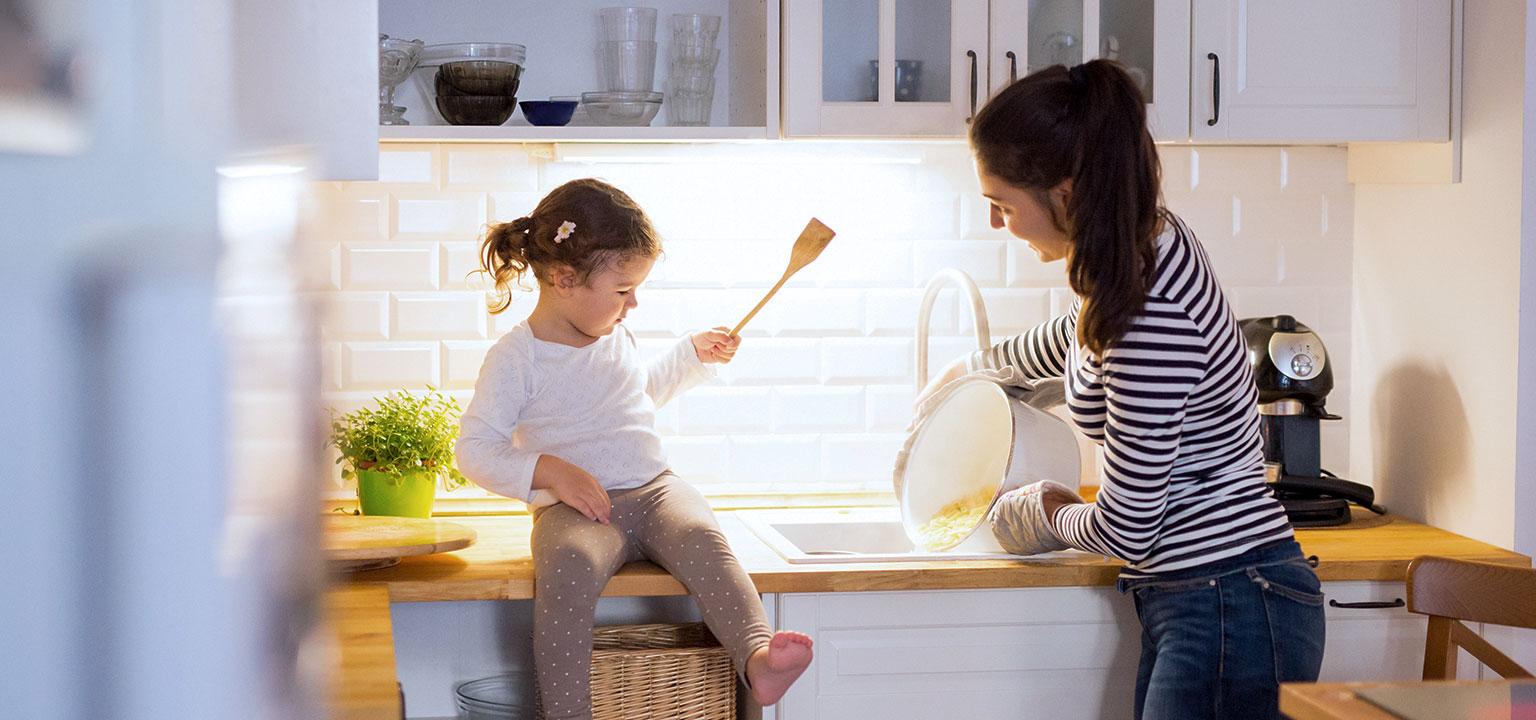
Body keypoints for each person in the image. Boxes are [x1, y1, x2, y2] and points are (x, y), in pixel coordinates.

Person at [922, 61, 1326, 720]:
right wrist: (977, 368)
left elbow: (1129, 528)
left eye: (1002, 205)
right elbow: (1078, 335)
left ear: (1066, 192)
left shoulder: (1147, 309)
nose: (998, 225)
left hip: (1230, 605)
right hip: (1216, 597)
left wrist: (1039, 515)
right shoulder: (1139, 248)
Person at [455, 178, 813, 719]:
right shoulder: (517, 358)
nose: (633, 304)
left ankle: (757, 659)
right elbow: (475, 451)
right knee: (568, 566)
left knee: (703, 535)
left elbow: (633, 397)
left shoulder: (612, 333)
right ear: (563, 278)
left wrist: (691, 355)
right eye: (623, 290)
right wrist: (551, 471)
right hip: (575, 511)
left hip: (654, 490)